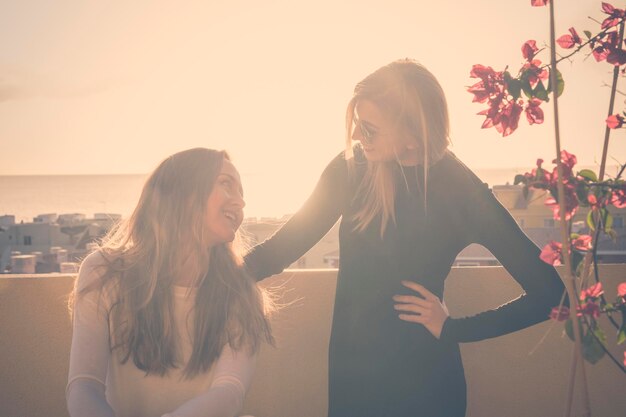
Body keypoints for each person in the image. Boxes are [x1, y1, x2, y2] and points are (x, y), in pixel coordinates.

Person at [244, 59, 566, 417]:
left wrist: (454, 329)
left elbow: (552, 294)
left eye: (369, 129)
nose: (356, 137)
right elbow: (284, 246)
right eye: (356, 125)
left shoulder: (460, 190)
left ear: (413, 133)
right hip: (353, 378)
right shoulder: (351, 168)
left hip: (427, 385)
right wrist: (210, 274)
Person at [66, 148, 272, 417]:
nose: (241, 202)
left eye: (242, 192)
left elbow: (229, 393)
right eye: (226, 184)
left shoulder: (241, 293)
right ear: (183, 194)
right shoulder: (103, 272)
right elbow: (83, 385)